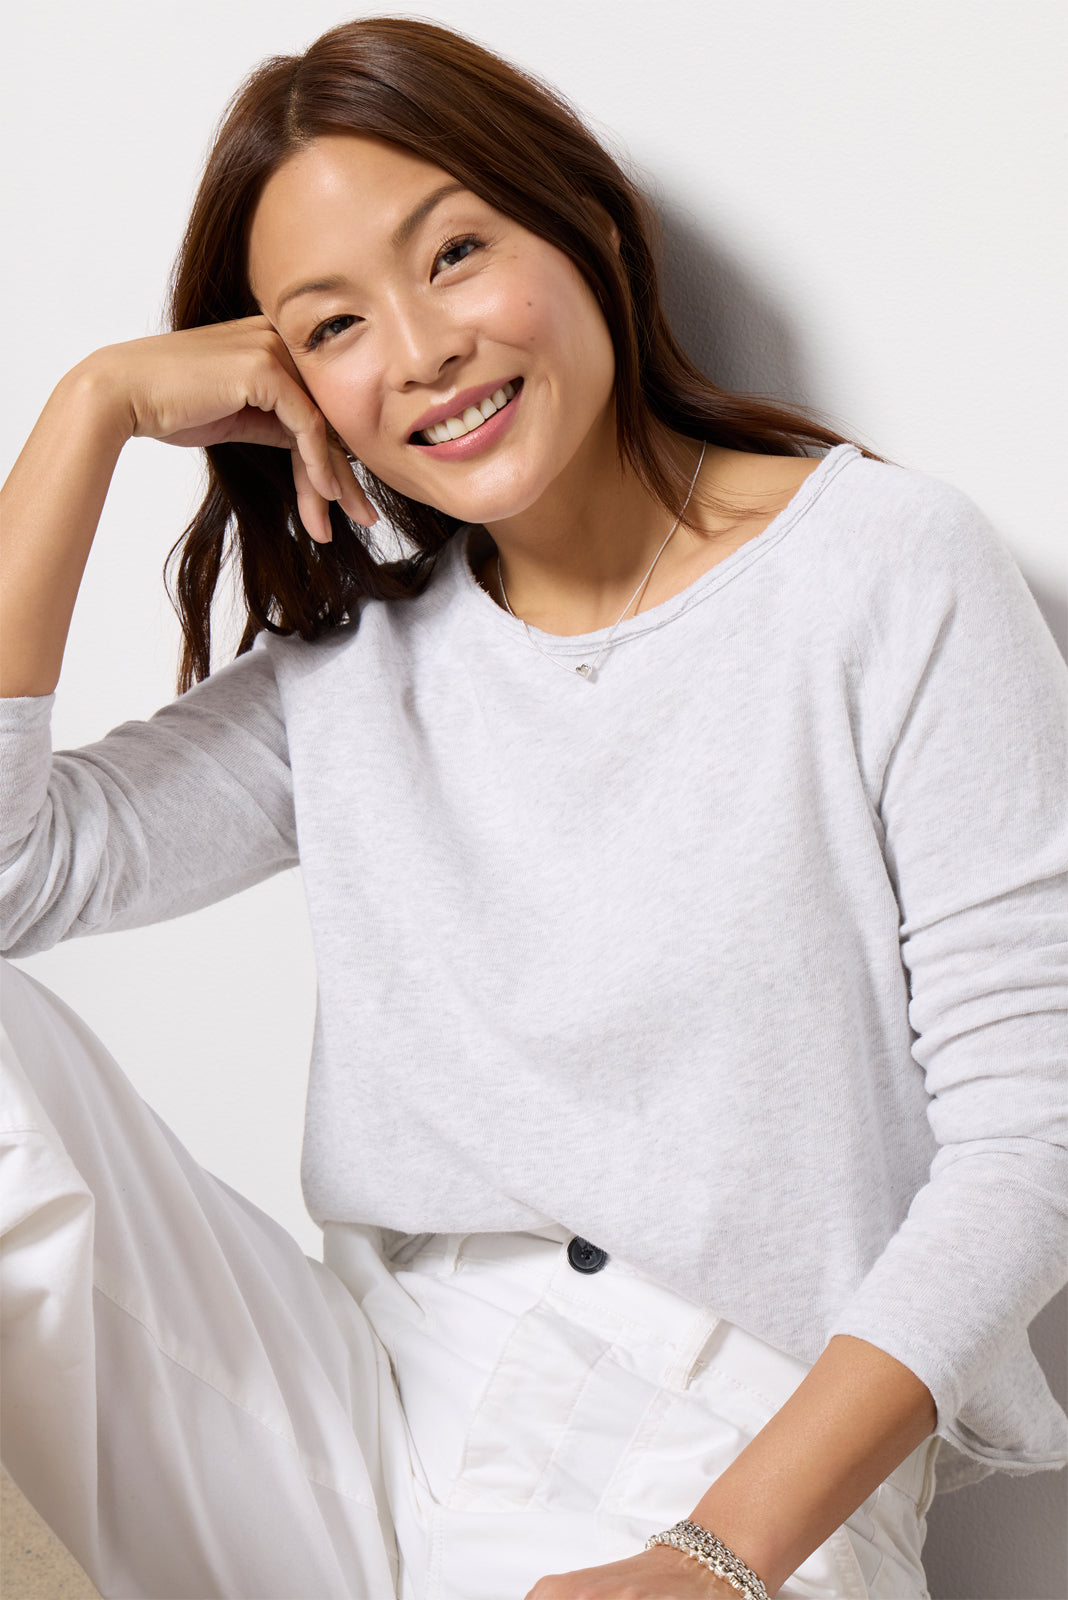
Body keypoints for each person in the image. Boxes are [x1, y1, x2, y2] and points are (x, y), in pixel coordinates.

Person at [1, 15, 1064, 1600]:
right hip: (369, 1409)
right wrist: (87, 410)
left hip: (727, 1449)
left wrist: (717, 1555)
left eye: (455, 254)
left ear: (590, 231)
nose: (421, 350)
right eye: (334, 324)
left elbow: (1030, 1141)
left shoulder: (886, 573)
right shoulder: (357, 666)